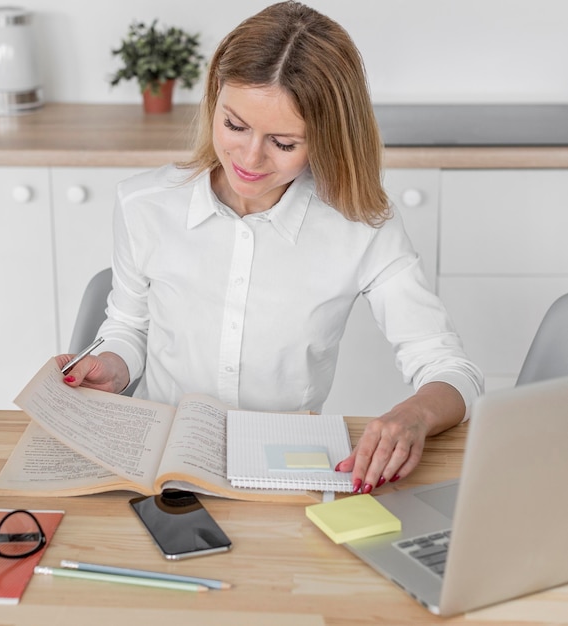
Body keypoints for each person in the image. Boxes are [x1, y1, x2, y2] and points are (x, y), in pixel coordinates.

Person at [55, 1, 483, 495]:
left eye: (283, 142)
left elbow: (451, 369)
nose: (249, 159)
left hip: (282, 475)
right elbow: (128, 327)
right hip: (161, 469)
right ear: (215, 97)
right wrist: (111, 364)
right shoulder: (144, 204)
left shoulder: (361, 226)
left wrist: (414, 415)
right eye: (235, 126)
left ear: (327, 139)